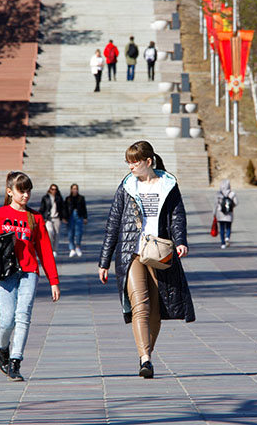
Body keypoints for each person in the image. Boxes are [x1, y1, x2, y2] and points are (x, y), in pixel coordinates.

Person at [98, 140, 195, 379]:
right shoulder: (126, 186)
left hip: (160, 252)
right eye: (128, 162)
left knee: (155, 309)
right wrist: (104, 261)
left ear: (148, 161)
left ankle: (146, 351)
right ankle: (146, 359)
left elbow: (177, 217)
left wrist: (180, 241)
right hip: (131, 252)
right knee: (140, 306)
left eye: (135, 162)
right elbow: (113, 224)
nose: (130, 166)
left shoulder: (168, 185)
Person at [0, 172, 60, 382]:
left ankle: (15, 362)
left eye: (28, 191)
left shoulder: (35, 218)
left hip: (29, 271)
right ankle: (2, 349)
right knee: (7, 320)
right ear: (9, 192)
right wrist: (1, 245)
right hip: (5, 274)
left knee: (23, 316)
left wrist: (54, 281)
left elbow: (44, 250)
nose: (26, 195)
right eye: (21, 191)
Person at [39, 184, 66, 258]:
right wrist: (40, 218)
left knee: (57, 234)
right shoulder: (45, 198)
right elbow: (42, 208)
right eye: (52, 189)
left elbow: (62, 208)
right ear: (49, 189)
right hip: (48, 218)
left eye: (55, 189)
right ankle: (50, 249)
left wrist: (64, 217)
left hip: (57, 218)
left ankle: (55, 250)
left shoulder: (59, 198)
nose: (54, 191)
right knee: (50, 232)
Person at [213, 179, 238, 249]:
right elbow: (236, 202)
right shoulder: (232, 193)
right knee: (228, 227)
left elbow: (215, 204)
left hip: (220, 213)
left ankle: (223, 243)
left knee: (221, 229)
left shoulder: (218, 194)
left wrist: (214, 213)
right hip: (229, 213)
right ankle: (227, 237)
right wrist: (231, 206)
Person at [64, 183, 88, 257]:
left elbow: (84, 208)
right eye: (74, 189)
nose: (75, 190)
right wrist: (64, 218)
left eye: (76, 189)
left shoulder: (81, 198)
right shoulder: (68, 198)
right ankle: (72, 249)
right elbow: (64, 209)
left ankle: (78, 247)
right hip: (70, 216)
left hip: (79, 216)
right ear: (71, 189)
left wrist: (85, 217)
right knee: (70, 233)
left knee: (78, 233)